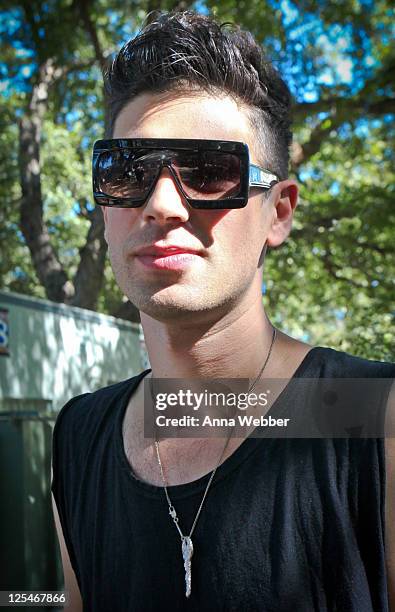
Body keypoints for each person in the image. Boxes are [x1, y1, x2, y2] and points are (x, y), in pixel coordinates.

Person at [51, 10, 395, 611]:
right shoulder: (78, 435)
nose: (161, 204)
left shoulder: (375, 420)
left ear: (279, 212)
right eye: (127, 172)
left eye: (210, 172)